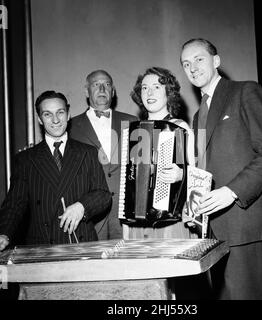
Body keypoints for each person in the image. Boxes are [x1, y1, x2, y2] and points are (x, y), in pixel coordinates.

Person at [180, 38, 262, 299]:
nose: (192, 67)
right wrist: (192, 205)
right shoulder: (198, 113)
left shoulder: (246, 92)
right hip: (213, 232)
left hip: (245, 226)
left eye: (199, 59)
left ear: (216, 61)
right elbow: (204, 170)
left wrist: (232, 191)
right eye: (186, 63)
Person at [0, 91, 112, 250]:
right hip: (41, 246)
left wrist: (82, 206)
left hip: (81, 243)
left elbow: (103, 194)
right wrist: (4, 233)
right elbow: (14, 204)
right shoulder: (26, 159)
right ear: (39, 119)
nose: (55, 120)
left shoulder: (88, 152)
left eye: (60, 112)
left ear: (68, 115)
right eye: (47, 114)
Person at [125, 66, 197, 239]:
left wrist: (182, 175)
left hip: (171, 223)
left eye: (156, 87)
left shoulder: (180, 127)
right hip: (138, 225)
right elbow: (129, 183)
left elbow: (198, 176)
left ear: (168, 92)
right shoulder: (134, 131)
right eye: (144, 88)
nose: (149, 92)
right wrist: (126, 226)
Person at [69, 70, 137, 240]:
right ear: (86, 91)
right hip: (90, 216)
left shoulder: (133, 121)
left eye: (106, 84)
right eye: (95, 84)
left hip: (126, 217)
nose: (101, 89)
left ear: (113, 92)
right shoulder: (70, 127)